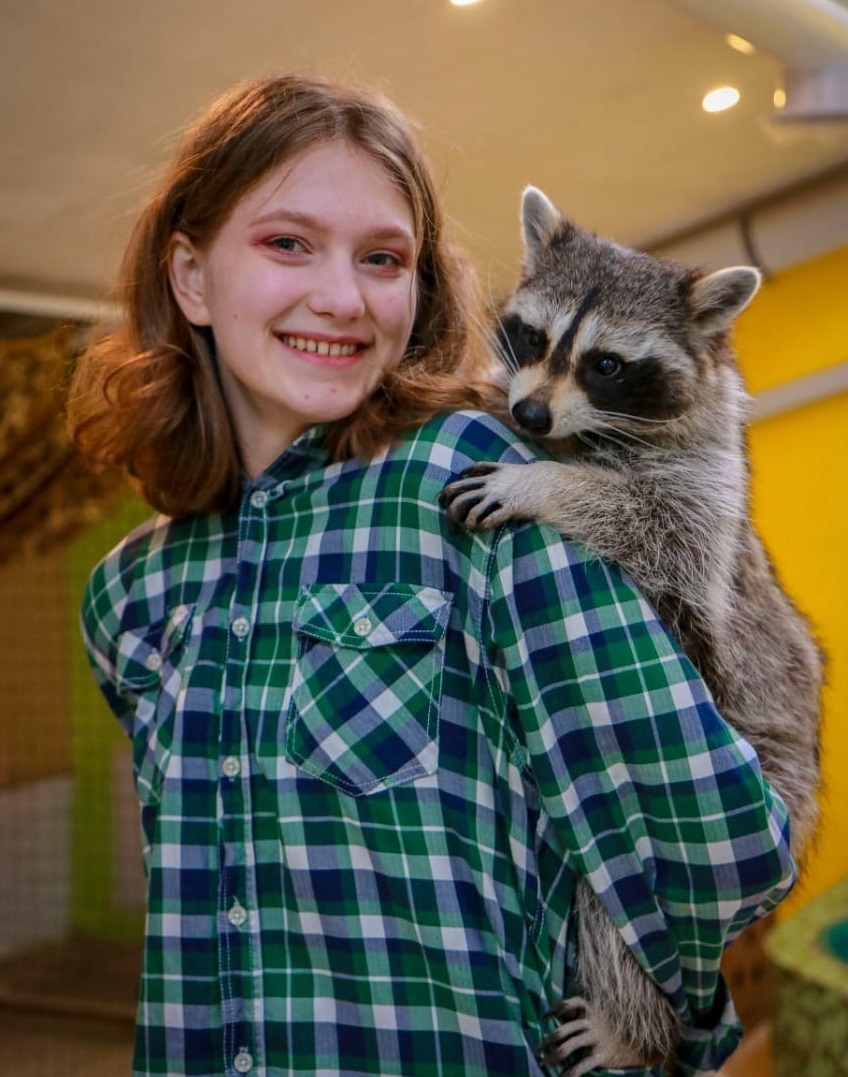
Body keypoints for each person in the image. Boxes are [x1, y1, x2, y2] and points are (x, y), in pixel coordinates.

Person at [68, 74, 794, 1077]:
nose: (341, 295)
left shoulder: (466, 486)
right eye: (287, 243)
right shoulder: (133, 591)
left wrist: (628, 1014)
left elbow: (718, 833)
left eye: (382, 258)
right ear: (191, 278)